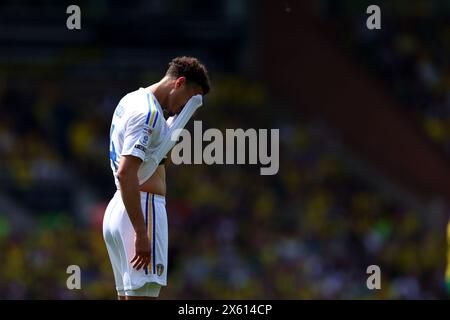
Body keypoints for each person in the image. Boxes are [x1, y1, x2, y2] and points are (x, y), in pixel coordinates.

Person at [103, 56, 210, 300]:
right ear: (179, 83)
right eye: (187, 98)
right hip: (142, 208)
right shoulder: (149, 114)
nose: (183, 107)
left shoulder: (132, 100)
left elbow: (149, 160)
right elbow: (126, 171)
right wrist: (142, 232)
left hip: (121, 208)